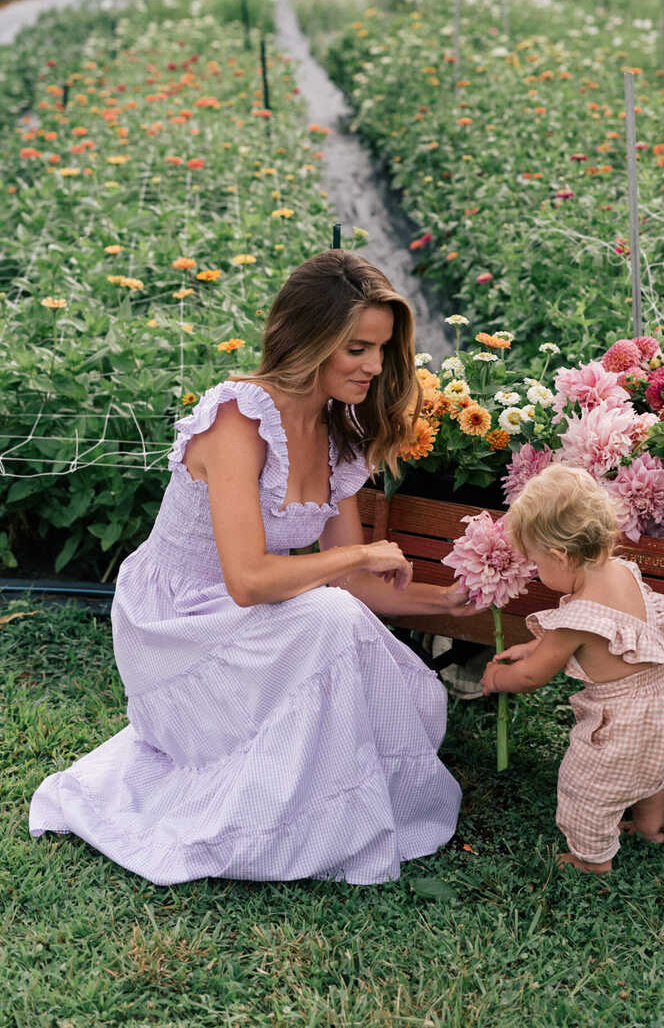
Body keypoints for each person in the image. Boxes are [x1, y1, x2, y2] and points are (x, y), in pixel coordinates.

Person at [30, 250, 476, 886]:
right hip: (176, 625)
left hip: (249, 623)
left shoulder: (336, 431)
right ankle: (278, 812)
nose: (375, 367)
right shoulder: (239, 416)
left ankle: (321, 810)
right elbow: (248, 580)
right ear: (309, 338)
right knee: (327, 617)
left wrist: (448, 604)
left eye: (381, 349)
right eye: (357, 349)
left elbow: (352, 586)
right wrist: (356, 555)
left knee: (335, 615)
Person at [481, 464, 664, 874]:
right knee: (646, 768)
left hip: (624, 724)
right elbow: (601, 635)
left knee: (587, 789)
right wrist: (534, 646)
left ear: (561, 557)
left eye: (537, 565)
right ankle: (650, 828)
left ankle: (591, 859)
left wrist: (497, 678)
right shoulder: (623, 571)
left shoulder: (577, 616)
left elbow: (533, 675)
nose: (537, 575)